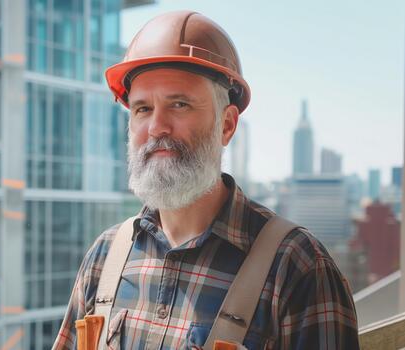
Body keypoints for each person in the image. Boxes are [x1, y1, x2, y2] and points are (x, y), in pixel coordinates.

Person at [52, 10, 359, 350]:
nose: (156, 128)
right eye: (142, 109)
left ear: (226, 125)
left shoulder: (296, 267)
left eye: (179, 104)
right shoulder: (105, 257)